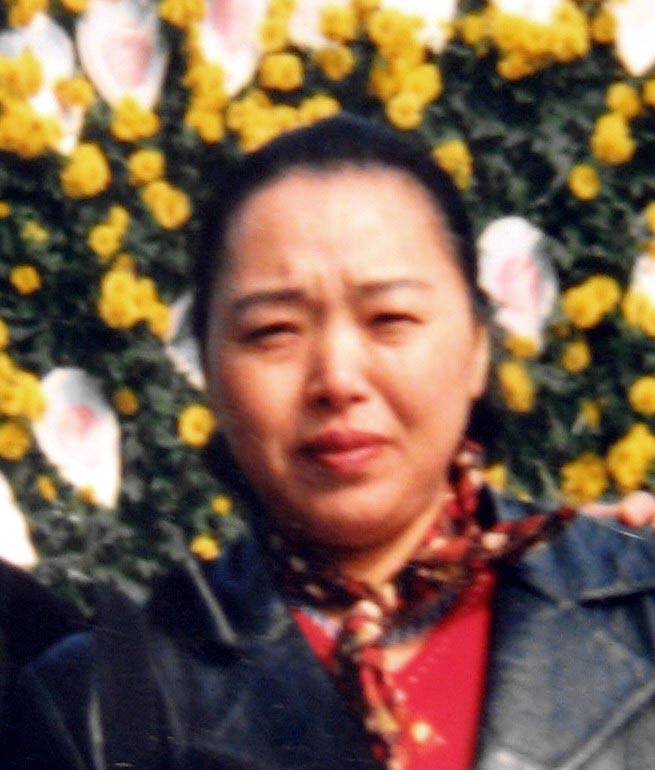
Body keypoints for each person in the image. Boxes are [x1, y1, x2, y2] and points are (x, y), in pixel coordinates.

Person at [4, 114, 655, 770]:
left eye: (390, 318)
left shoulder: (637, 605)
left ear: (478, 348)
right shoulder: (95, 707)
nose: (338, 379)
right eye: (274, 331)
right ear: (208, 370)